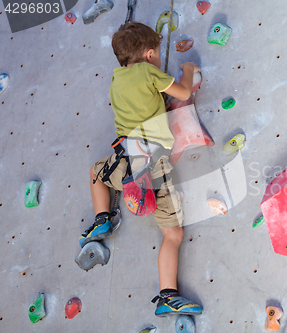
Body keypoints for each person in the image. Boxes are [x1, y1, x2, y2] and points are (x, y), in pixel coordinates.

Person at [78, 22, 202, 317]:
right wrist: (186, 69)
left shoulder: (116, 78)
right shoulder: (150, 72)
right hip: (153, 168)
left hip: (124, 162)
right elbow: (183, 92)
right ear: (149, 55)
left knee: (96, 173)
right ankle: (167, 296)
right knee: (172, 235)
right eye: (158, 54)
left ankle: (102, 219)